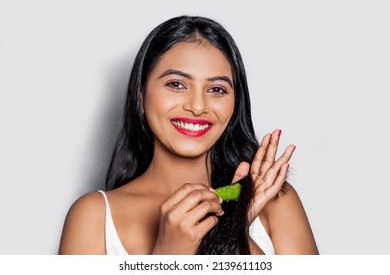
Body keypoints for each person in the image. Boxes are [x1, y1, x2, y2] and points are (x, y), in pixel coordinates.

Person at [58, 15, 318, 255]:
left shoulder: (275, 202)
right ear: (140, 96)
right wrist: (167, 256)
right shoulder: (94, 216)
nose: (197, 106)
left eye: (217, 89)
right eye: (176, 84)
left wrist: (232, 230)